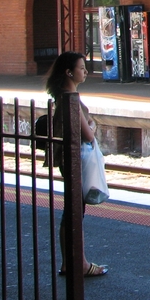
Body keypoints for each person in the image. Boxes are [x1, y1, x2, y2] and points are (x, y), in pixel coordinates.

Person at [44, 51, 109, 278]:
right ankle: (78, 264)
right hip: (76, 161)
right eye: (82, 68)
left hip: (70, 160)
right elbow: (88, 135)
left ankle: (67, 263)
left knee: (70, 212)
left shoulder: (64, 96)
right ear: (69, 72)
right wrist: (92, 127)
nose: (85, 71)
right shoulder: (69, 98)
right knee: (75, 213)